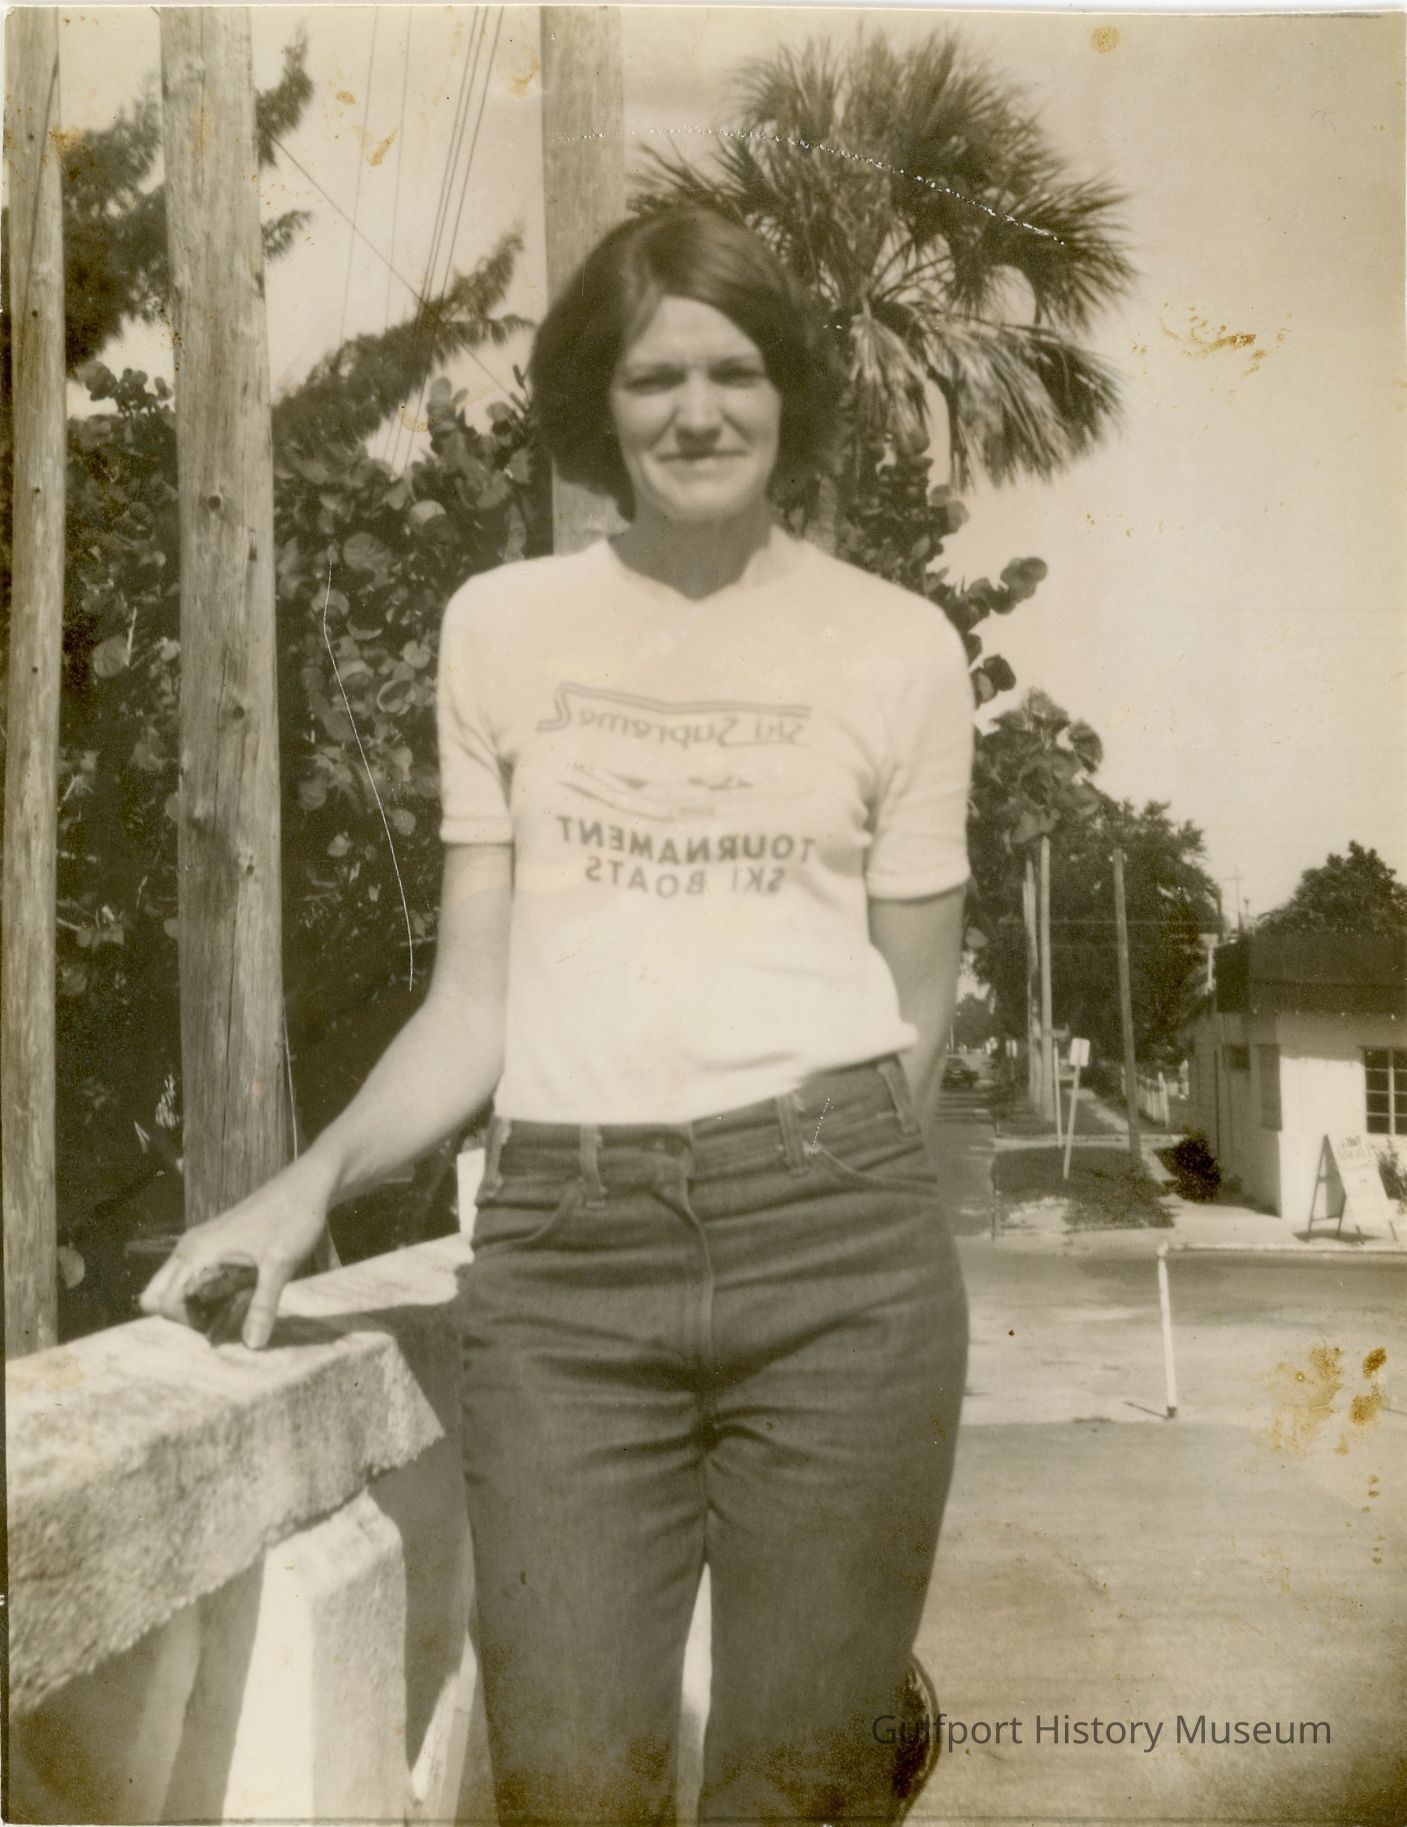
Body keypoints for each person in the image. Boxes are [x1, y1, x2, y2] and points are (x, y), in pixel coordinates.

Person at [142, 207, 971, 1826]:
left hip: (841, 1265)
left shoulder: (901, 646)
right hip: (565, 1273)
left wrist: (814, 1194)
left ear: (789, 392)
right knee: (572, 1786)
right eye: (654, 378)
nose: (698, 411)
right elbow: (475, 1004)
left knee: (802, 1794)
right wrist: (305, 1186)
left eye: (735, 371)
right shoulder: (503, 627)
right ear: (600, 400)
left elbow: (915, 1026)